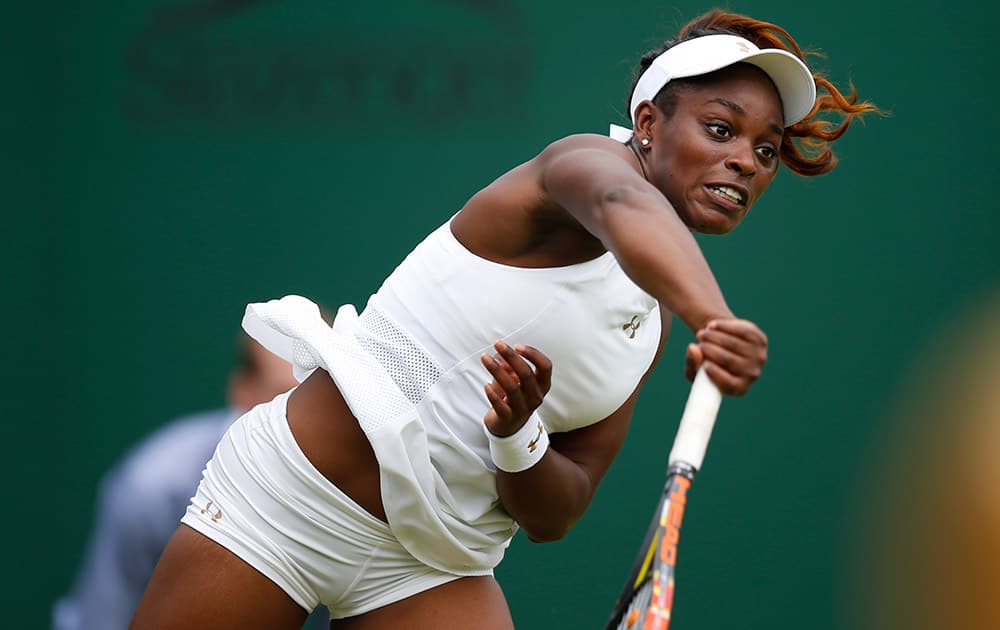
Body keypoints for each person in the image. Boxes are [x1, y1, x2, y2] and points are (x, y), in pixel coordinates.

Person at [132, 9, 878, 629]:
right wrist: (712, 318)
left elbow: (561, 508)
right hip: (293, 500)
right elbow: (626, 210)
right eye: (722, 129)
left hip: (430, 565)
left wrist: (517, 436)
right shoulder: (578, 169)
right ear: (648, 123)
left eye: (766, 150)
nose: (747, 160)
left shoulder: (645, 326)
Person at [54, 334, 329, 630]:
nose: (303, 419)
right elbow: (104, 619)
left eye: (318, 403)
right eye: (284, 397)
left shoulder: (355, 492)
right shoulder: (153, 487)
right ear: (244, 389)